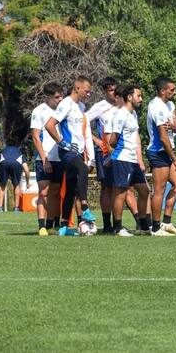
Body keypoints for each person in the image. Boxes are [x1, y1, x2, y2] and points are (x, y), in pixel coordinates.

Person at [45, 75, 97, 236]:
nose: (88, 95)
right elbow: (49, 125)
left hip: (78, 152)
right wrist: (62, 143)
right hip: (67, 152)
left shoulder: (80, 106)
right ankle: (85, 207)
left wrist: (89, 154)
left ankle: (64, 226)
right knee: (82, 170)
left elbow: (84, 132)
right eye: (86, 91)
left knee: (71, 189)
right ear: (77, 88)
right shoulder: (66, 103)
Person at [107, 85, 150, 237]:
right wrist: (113, 155)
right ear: (130, 97)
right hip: (123, 159)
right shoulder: (121, 115)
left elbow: (135, 137)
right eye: (139, 95)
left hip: (133, 160)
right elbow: (112, 140)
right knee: (121, 192)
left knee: (145, 191)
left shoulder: (133, 115)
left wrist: (139, 159)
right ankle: (118, 228)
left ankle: (144, 226)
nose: (141, 99)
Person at [146, 76, 176, 236]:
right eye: (171, 90)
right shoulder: (156, 107)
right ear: (162, 91)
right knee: (159, 189)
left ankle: (166, 222)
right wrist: (174, 158)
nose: (174, 92)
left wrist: (175, 126)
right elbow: (163, 136)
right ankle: (155, 228)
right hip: (158, 151)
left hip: (168, 150)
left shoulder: (170, 105)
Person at [85, 77, 118, 234]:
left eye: (115, 89)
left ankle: (119, 223)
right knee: (107, 187)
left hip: (121, 151)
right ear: (105, 92)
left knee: (121, 187)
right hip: (104, 152)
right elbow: (82, 121)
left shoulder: (122, 105)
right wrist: (97, 141)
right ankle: (107, 224)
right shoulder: (100, 107)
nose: (114, 93)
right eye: (110, 90)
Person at [30, 82, 63, 235]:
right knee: (44, 192)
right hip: (44, 158)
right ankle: (42, 226)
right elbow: (36, 137)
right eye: (57, 97)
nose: (60, 99)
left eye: (61, 96)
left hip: (60, 158)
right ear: (48, 97)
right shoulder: (39, 111)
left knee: (55, 192)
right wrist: (44, 159)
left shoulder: (63, 110)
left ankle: (51, 224)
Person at [0, 144, 30, 212]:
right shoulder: (19, 152)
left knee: (2, 185)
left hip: (4, 163)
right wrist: (27, 182)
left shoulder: (4, 150)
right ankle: (16, 208)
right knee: (16, 185)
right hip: (16, 164)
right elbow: (26, 170)